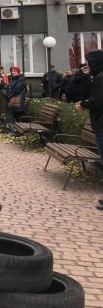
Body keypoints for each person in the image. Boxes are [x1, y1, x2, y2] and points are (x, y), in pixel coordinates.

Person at [75, 49, 103, 210]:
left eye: (89, 63)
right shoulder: (97, 78)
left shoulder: (100, 78)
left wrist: (84, 104)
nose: (87, 66)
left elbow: (98, 102)